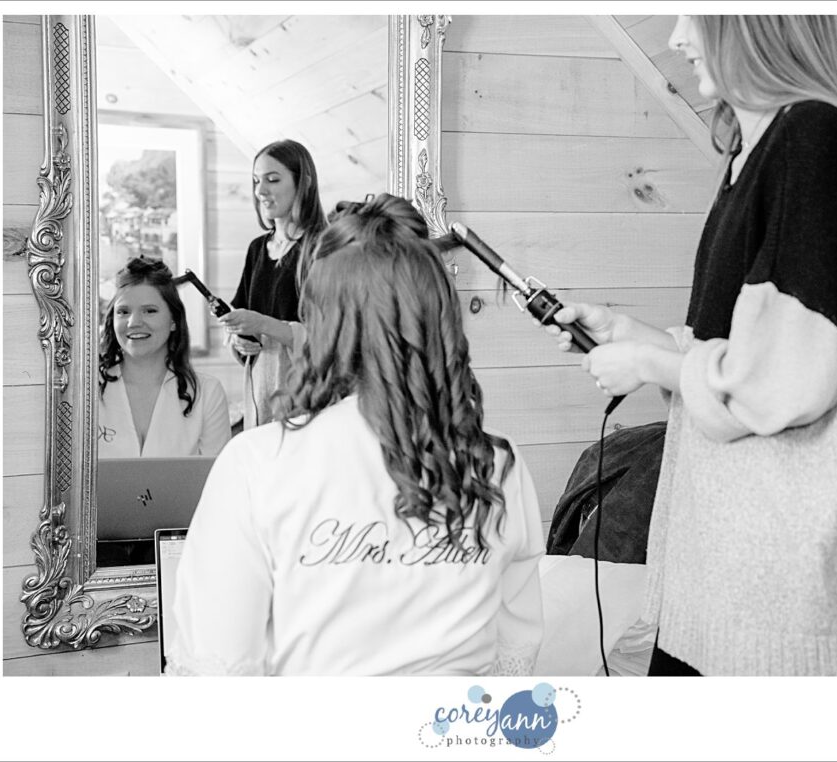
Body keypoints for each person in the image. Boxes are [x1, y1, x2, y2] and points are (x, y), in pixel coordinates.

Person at [547, 15, 837, 676]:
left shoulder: (812, 136)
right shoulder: (747, 154)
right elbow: (736, 350)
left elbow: (785, 379)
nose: (677, 37)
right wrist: (632, 335)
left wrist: (646, 362)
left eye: (695, 13)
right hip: (719, 579)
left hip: (778, 594)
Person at [168, 195, 545, 676]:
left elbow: (217, 668)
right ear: (439, 318)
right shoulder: (494, 463)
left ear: (324, 322)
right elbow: (517, 650)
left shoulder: (258, 464)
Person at [219, 139, 327, 428]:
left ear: (303, 183)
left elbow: (331, 336)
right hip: (260, 390)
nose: (260, 191)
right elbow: (243, 322)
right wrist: (239, 339)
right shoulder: (257, 249)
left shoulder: (323, 249)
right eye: (256, 181)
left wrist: (264, 324)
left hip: (306, 395)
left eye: (272, 179)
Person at [98, 256, 231, 458]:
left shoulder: (208, 394)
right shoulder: (86, 392)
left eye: (149, 311)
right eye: (123, 312)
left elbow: (217, 482)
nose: (133, 322)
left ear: (173, 321)